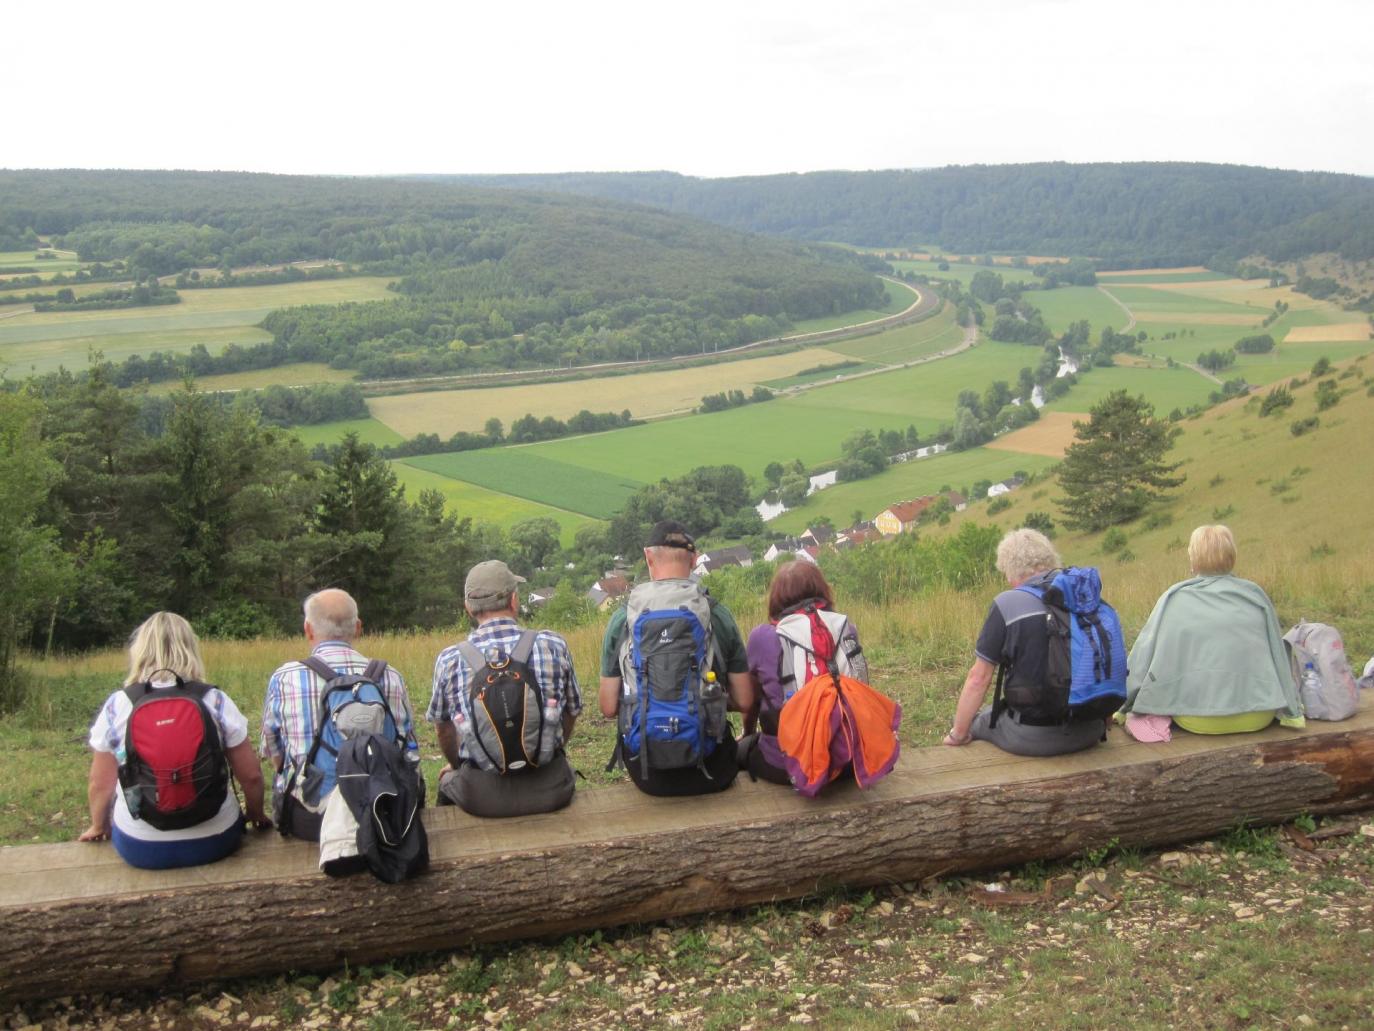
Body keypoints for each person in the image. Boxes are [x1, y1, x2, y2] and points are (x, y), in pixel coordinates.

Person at [79, 612, 268, 869]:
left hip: (140, 846)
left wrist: (98, 825)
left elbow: (100, 783)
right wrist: (256, 813)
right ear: (190, 648)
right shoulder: (215, 699)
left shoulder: (118, 705)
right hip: (215, 840)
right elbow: (251, 776)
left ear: (139, 651)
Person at [599, 520, 755, 796]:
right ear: (694, 560)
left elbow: (609, 707)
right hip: (713, 769)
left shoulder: (623, 618)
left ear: (648, 556)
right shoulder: (716, 614)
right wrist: (706, 700)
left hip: (648, 774)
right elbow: (744, 700)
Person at [1119, 524, 1304, 741]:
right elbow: (1279, 656)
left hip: (1194, 717)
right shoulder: (1256, 596)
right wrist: (1293, 713)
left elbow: (1143, 657)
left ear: (1193, 559)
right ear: (1232, 556)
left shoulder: (1173, 599)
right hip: (1259, 715)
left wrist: (1123, 707)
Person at [428, 559, 581, 817]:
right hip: (551, 788)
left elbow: (443, 730)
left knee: (446, 780)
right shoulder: (553, 644)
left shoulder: (449, 659)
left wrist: (456, 765)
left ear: (468, 608)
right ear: (514, 600)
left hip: (481, 796)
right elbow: (571, 711)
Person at [262, 588, 419, 840]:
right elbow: (408, 749)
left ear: (308, 629)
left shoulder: (284, 678)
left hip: (312, 821)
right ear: (358, 628)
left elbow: (275, 754)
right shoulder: (390, 676)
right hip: (383, 814)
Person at [943, 528, 1108, 756]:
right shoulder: (1084, 596)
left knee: (975, 721)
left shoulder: (1008, 603)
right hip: (1090, 730)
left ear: (1011, 568)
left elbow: (978, 679)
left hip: (1031, 736)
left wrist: (958, 734)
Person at [741, 560, 871, 785]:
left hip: (789, 766)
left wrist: (748, 732)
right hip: (848, 760)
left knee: (742, 751)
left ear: (776, 597)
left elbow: (750, 700)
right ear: (822, 590)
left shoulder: (763, 637)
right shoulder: (845, 627)